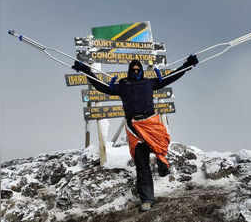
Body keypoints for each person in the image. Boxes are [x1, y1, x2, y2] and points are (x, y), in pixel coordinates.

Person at [72, 55, 198, 211]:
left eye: (138, 69)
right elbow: (101, 86)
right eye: (133, 69)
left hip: (151, 123)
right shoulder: (123, 85)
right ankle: (147, 199)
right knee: (141, 165)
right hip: (134, 128)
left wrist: (188, 65)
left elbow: (172, 77)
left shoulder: (150, 83)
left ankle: (162, 163)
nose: (136, 70)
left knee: (161, 146)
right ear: (129, 71)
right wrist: (85, 70)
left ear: (142, 71)